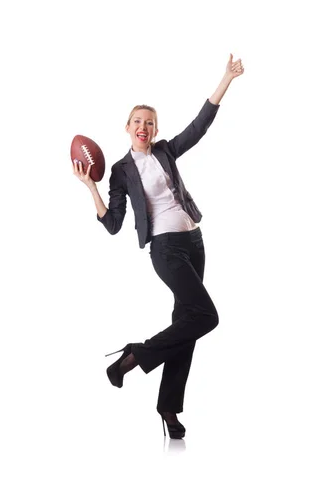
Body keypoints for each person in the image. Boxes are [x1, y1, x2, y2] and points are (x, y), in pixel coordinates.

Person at [73, 55, 244, 439]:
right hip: (165, 248)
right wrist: (91, 189)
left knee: (187, 323)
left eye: (149, 122)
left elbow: (199, 126)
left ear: (155, 129)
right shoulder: (119, 171)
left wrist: (226, 79)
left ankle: (168, 408)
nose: (144, 127)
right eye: (137, 121)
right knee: (206, 316)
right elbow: (113, 224)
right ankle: (132, 357)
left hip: (194, 240)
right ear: (127, 128)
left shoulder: (166, 151)